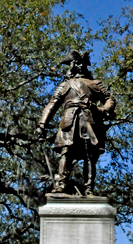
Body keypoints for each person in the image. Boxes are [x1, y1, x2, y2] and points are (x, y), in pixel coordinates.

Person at [37, 50, 115, 196]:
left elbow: (110, 99)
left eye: (80, 63)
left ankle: (89, 188)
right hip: (69, 121)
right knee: (66, 152)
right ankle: (62, 184)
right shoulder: (65, 85)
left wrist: (102, 110)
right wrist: (42, 124)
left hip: (89, 121)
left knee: (90, 155)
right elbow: (52, 105)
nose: (77, 66)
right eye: (75, 63)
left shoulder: (95, 84)